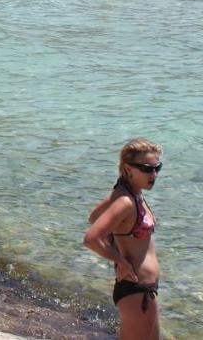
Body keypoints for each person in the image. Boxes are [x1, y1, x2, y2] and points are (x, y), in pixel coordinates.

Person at [84, 138, 162, 339]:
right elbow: (92, 238)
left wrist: (117, 242)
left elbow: (94, 217)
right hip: (136, 290)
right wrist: (121, 261)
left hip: (143, 289)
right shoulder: (125, 201)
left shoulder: (128, 193)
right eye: (147, 168)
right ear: (128, 169)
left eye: (157, 168)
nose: (153, 174)